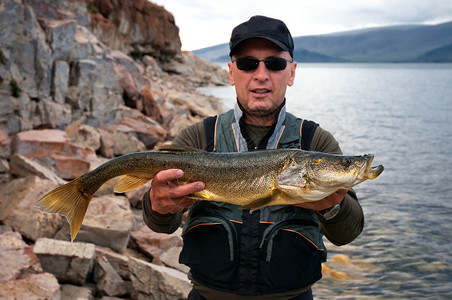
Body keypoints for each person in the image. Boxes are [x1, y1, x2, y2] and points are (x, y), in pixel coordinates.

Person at [142, 15, 364, 300]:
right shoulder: (197, 138)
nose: (261, 74)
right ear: (232, 73)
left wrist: (331, 207)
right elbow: (161, 225)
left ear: (292, 72)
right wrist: (158, 205)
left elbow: (348, 232)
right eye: (248, 64)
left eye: (275, 63)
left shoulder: (316, 142)